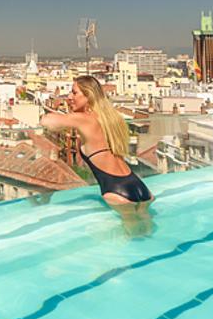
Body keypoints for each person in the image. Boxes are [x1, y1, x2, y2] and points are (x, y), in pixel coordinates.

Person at [42, 75, 153, 235]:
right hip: (139, 186)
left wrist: (51, 116)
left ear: (88, 96)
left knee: (132, 241)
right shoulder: (110, 118)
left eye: (74, 93)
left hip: (116, 191)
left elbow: (48, 122)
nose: (69, 97)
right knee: (149, 234)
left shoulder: (84, 119)